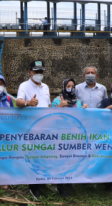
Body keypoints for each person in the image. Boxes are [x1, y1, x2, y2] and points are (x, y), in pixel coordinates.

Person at [16, 60, 51, 201]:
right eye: (36, 71)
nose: (39, 74)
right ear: (30, 72)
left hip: (45, 128)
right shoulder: (24, 86)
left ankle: (41, 182)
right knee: (33, 156)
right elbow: (18, 102)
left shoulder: (46, 87)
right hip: (32, 128)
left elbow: (47, 106)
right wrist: (28, 103)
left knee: (44, 156)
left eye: (41, 71)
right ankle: (33, 187)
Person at [0, 74, 14, 190]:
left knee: (5, 156)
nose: (0, 86)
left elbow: (14, 114)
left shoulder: (8, 99)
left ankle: (5, 180)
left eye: (1, 83)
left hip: (6, 133)